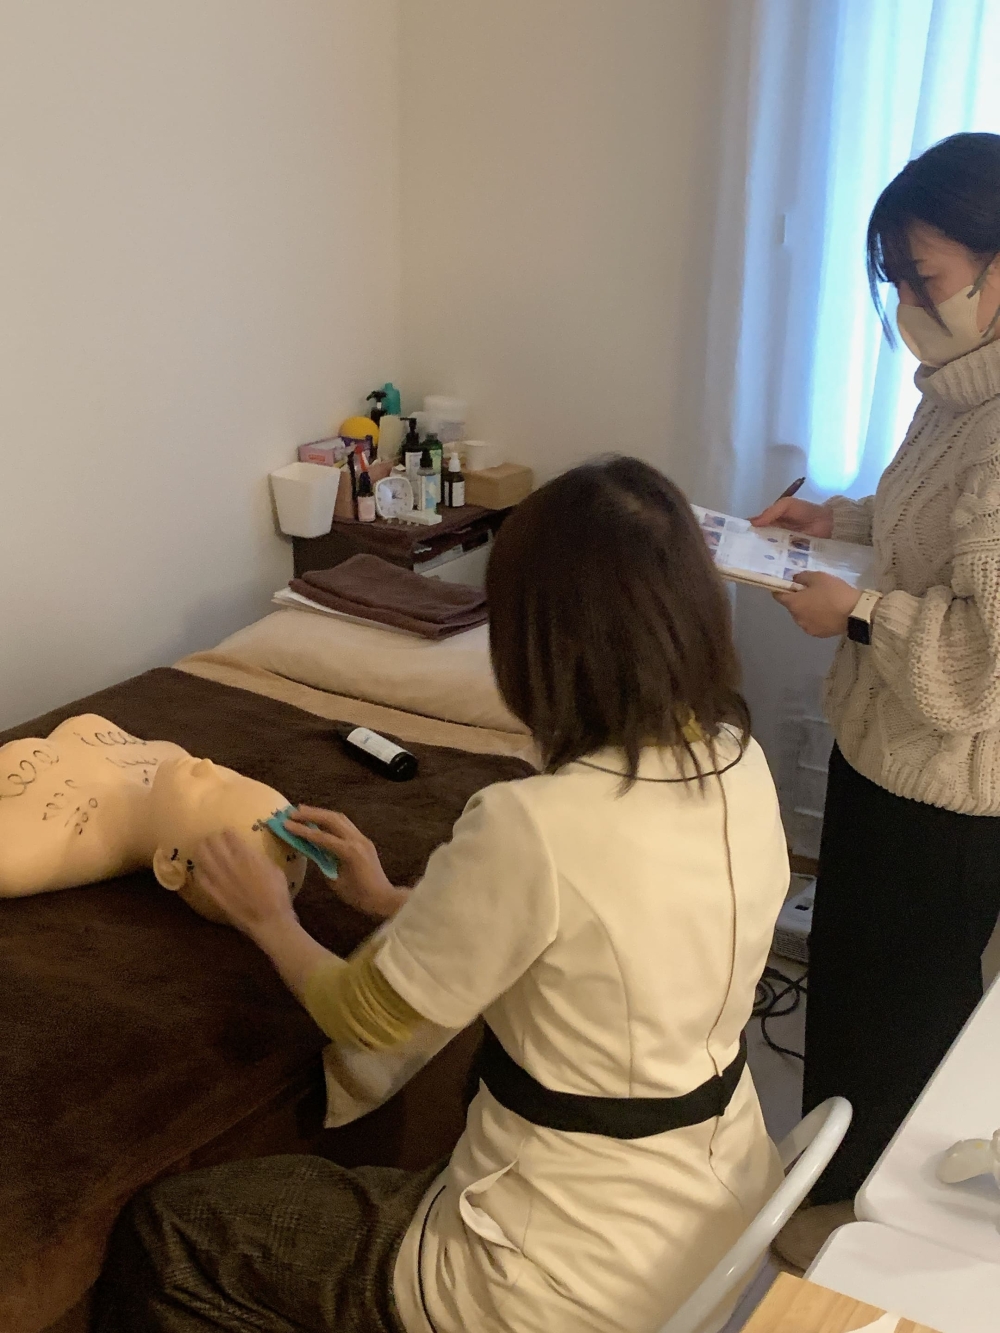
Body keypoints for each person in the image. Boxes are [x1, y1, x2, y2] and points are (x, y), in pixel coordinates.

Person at [94, 456, 790, 1333]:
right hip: (721, 1213)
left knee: (174, 1232)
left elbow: (365, 1015)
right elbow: (603, 935)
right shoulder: (738, 759)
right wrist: (395, 900)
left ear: (542, 645)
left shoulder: (531, 823)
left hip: (563, 1277)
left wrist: (267, 917)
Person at [752, 132, 1000, 1261]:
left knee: (900, 1014)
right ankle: (828, 1179)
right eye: (893, 275)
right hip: (879, 750)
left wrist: (852, 612)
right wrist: (832, 524)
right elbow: (924, 533)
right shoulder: (958, 391)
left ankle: (863, 1228)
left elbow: (981, 661)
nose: (905, 303)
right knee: (851, 984)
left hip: (946, 796)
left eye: (922, 275)